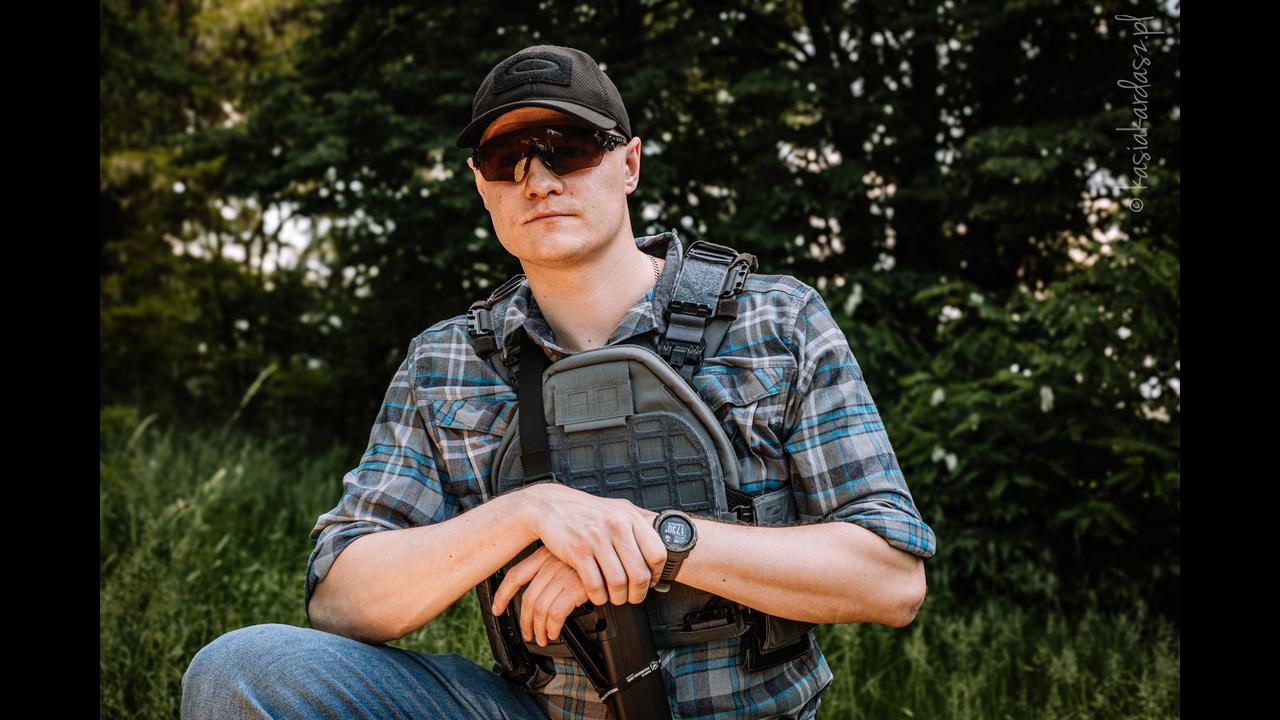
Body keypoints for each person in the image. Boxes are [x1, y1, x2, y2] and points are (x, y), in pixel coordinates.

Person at [181, 44, 937, 720]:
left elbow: (891, 579)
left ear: (629, 164)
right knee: (242, 671)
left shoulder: (776, 320)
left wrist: (656, 540)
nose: (537, 180)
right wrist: (530, 513)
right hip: (534, 711)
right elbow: (342, 599)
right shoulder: (446, 362)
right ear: (482, 187)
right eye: (505, 158)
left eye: (568, 149)